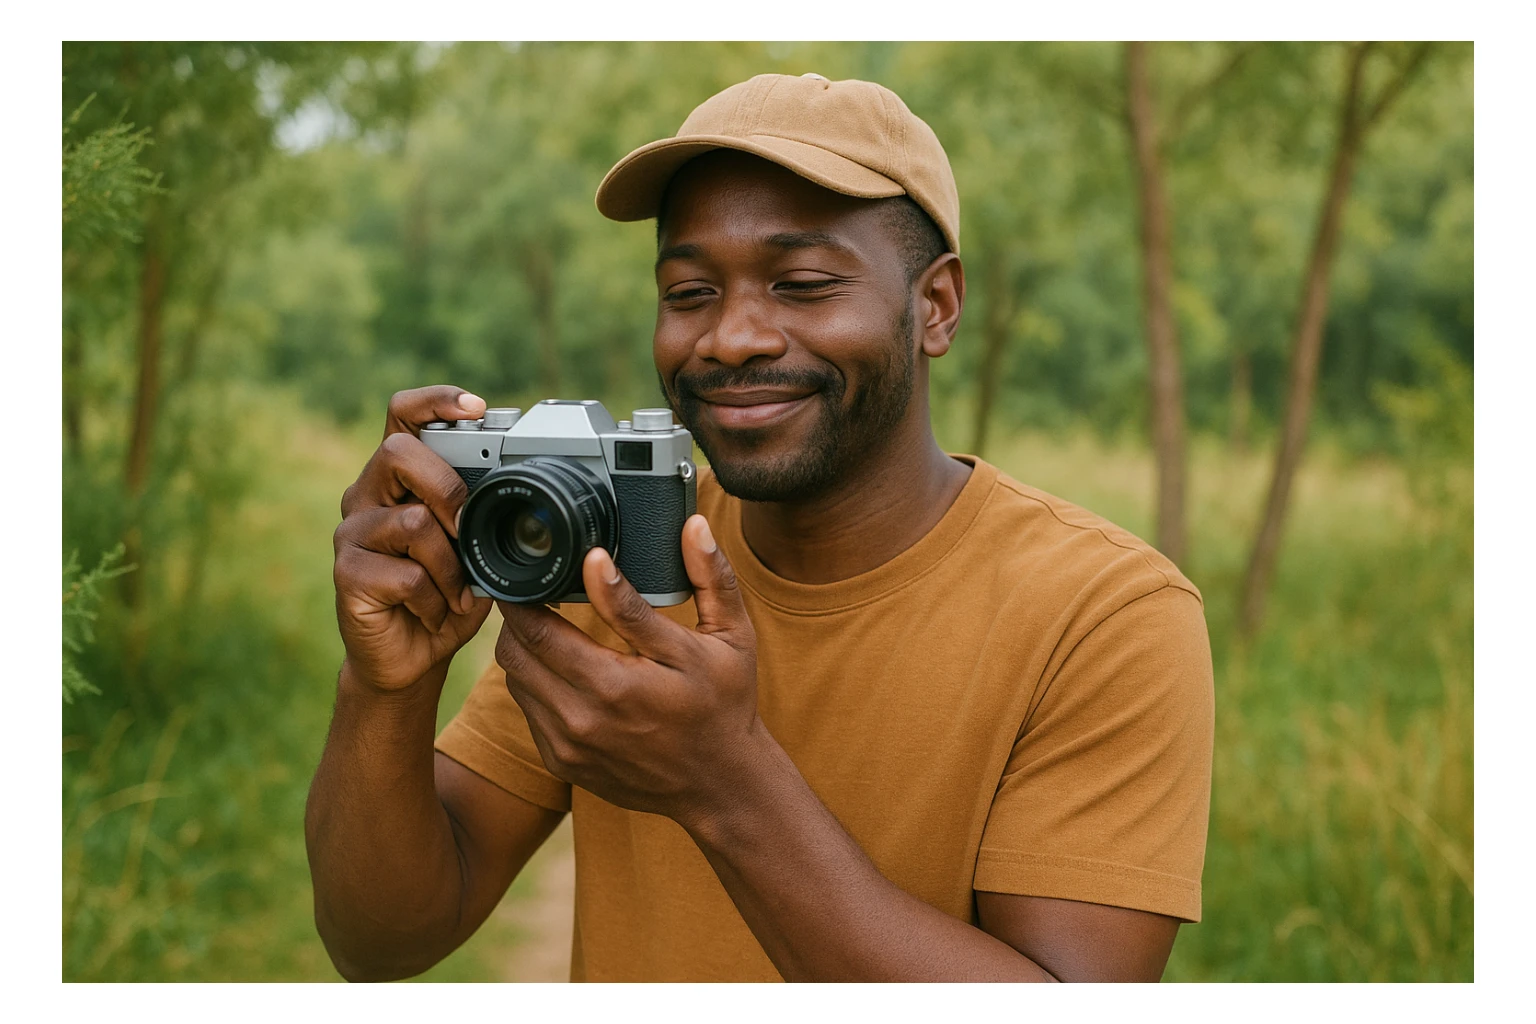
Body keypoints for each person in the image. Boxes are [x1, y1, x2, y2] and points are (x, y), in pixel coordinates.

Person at [307, 72, 1214, 983]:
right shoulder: (621, 560)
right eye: (689, 292)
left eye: (805, 283)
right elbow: (381, 939)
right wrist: (384, 688)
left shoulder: (1104, 615)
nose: (732, 337)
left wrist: (723, 784)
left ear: (934, 307)